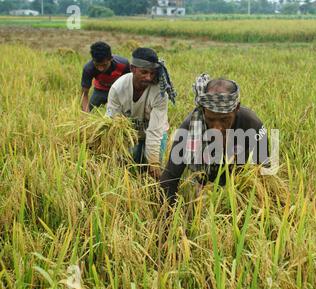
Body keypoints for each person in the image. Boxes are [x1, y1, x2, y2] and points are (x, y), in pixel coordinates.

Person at [160, 74, 269, 203]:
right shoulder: (191, 126)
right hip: (206, 183)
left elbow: (265, 173)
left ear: (236, 108)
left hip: (240, 183)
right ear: (204, 110)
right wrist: (167, 217)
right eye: (211, 119)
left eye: (224, 120)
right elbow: (170, 177)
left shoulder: (252, 124)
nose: (217, 128)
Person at [106, 47, 176, 179]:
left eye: (152, 73)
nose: (148, 78)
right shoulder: (118, 89)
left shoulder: (160, 93)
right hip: (131, 135)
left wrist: (153, 161)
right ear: (133, 69)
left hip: (156, 135)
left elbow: (155, 131)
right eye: (144, 72)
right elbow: (113, 124)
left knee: (153, 174)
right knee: (128, 171)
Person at [81, 41, 130, 112]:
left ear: (111, 59)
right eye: (97, 65)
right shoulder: (88, 68)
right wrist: (86, 115)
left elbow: (129, 86)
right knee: (91, 110)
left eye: (104, 65)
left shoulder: (123, 64)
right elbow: (84, 94)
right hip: (100, 90)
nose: (100, 69)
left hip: (118, 91)